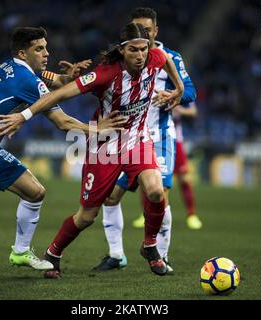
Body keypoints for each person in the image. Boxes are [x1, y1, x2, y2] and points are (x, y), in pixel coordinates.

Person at [0, 22, 185, 278]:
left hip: (139, 140)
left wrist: (179, 89)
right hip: (105, 148)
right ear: (122, 50)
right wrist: (24, 116)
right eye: (133, 50)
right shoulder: (105, 74)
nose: (140, 56)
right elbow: (58, 95)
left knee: (155, 191)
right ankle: (54, 253)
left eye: (143, 49)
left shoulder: (155, 56)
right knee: (86, 216)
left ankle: (150, 246)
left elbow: (167, 62)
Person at [0, 26, 125, 278]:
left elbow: (48, 80)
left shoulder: (9, 67)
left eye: (46, 47)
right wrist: (97, 129)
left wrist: (65, 78)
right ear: (23, 53)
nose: (46, 53)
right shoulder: (28, 81)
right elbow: (63, 122)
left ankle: (21, 251)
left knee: (35, 192)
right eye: (39, 49)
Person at [92, 7, 196, 273]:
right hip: (126, 138)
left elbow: (190, 91)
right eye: (138, 31)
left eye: (148, 31)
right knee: (111, 197)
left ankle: (162, 255)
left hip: (158, 135)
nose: (143, 37)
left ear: (156, 31)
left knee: (158, 195)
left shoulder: (168, 57)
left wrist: (172, 95)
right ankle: (116, 255)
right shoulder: (124, 58)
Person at [172, 102, 202, 230]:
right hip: (153, 138)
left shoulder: (179, 85)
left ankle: (191, 214)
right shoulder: (148, 84)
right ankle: (145, 215)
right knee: (148, 176)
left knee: (184, 177)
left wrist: (178, 109)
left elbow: (193, 111)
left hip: (175, 139)